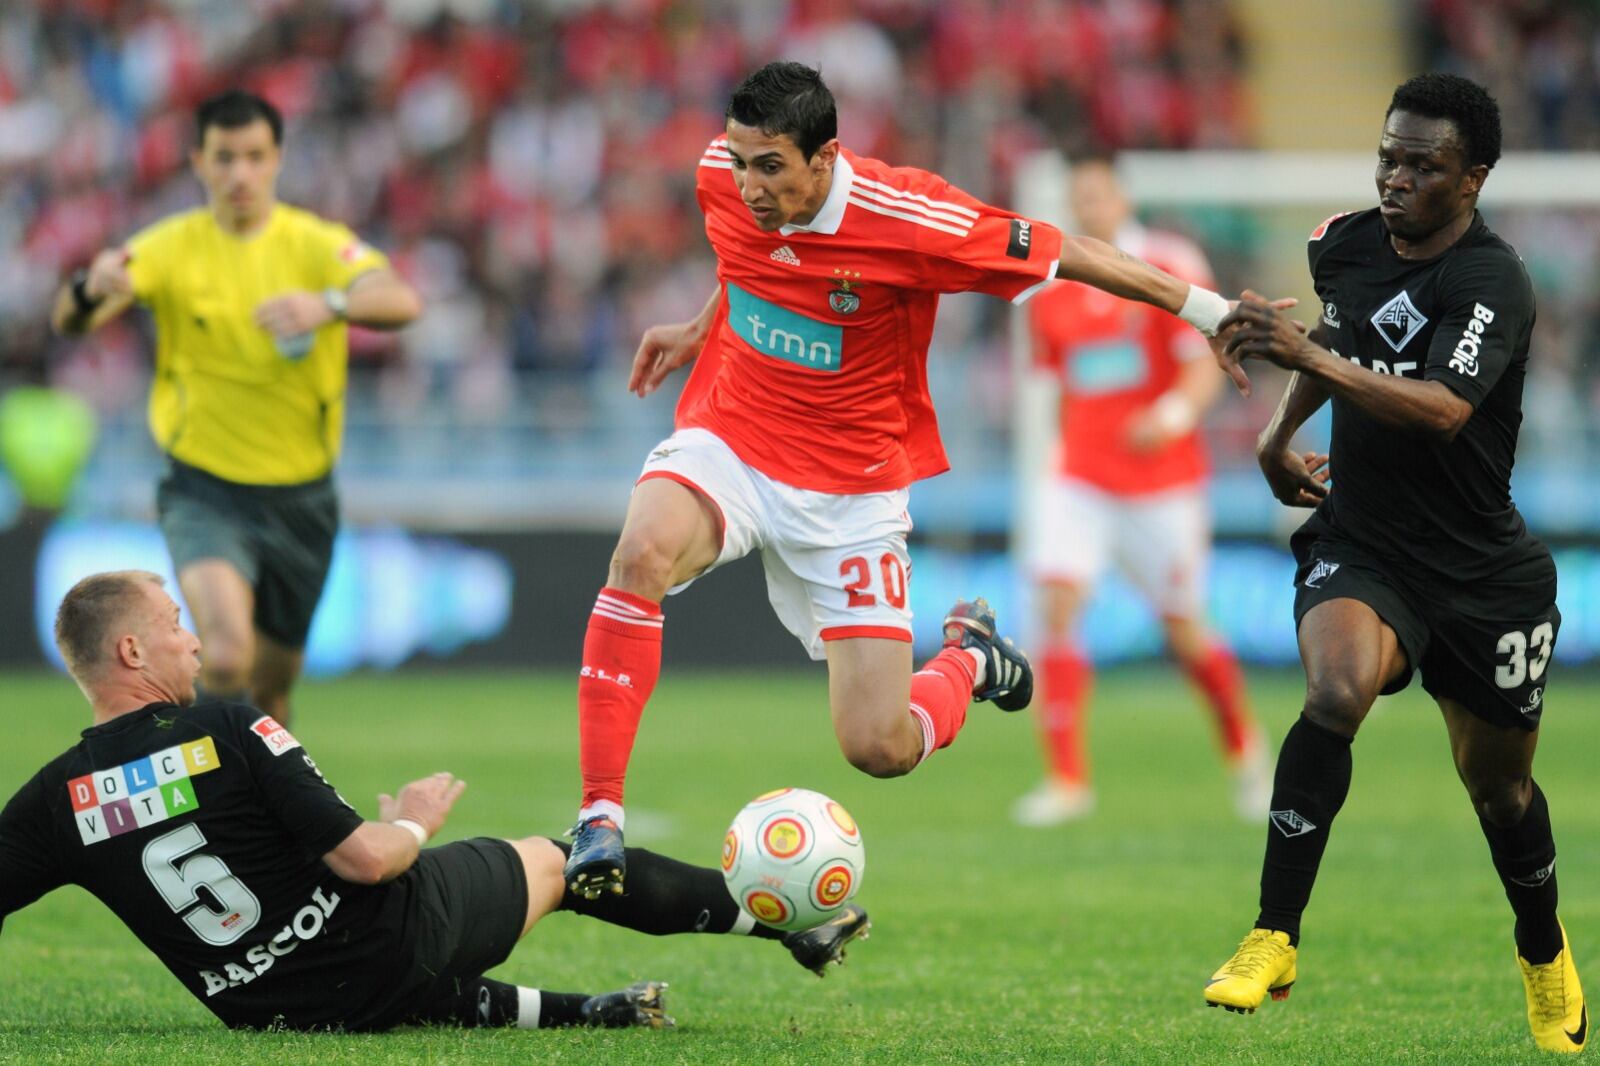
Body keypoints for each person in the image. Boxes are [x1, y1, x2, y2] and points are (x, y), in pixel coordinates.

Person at [564, 62, 1263, 899]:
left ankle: (970, 659)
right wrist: (699, 325)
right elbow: (747, 259)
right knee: (641, 552)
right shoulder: (721, 173)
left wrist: (1210, 314)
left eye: (770, 167)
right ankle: (599, 816)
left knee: (880, 747)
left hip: (851, 489)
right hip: (732, 436)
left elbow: (1072, 253)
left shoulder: (912, 216)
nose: (748, 184)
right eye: (741, 162)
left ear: (824, 158)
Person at [0, 571, 869, 1032]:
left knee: (392, 973)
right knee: (562, 862)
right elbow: (370, 859)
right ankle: (792, 925)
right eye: (176, 622)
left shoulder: (55, 801)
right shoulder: (227, 724)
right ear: (130, 648)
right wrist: (413, 817)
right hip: (377, 944)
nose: (194, 639)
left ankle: (587, 1013)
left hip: (262, 1008)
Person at [1203, 74, 1585, 1055]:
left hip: (1482, 574)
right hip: (1363, 543)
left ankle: (1541, 949)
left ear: (1472, 179)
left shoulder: (1492, 283)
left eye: (1424, 165)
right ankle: (1271, 934)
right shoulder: (1346, 242)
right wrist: (1278, 436)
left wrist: (1309, 365)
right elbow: (1338, 330)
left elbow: (1440, 410)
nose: (1396, 178)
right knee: (1334, 690)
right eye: (1388, 155)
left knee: (1498, 791)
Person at [50, 90, 423, 726]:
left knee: (272, 692)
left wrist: (328, 305)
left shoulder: (315, 245)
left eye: (254, 156)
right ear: (198, 161)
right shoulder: (170, 247)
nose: (240, 174)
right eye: (225, 158)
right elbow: (72, 319)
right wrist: (92, 285)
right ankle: (212, 799)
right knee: (224, 656)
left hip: (301, 498)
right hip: (206, 488)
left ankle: (267, 805)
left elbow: (400, 301)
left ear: (277, 158)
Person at [1012, 154, 1270, 828]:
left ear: (1121, 194)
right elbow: (1055, 388)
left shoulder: (1166, 261)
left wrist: (1171, 417)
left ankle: (1247, 753)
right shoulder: (1054, 282)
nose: (1089, 206)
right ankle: (1066, 780)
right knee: (1056, 606)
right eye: (1079, 197)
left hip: (1163, 483)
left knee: (1184, 627)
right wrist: (1055, 464)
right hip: (1082, 479)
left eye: (1098, 193)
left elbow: (1205, 366)